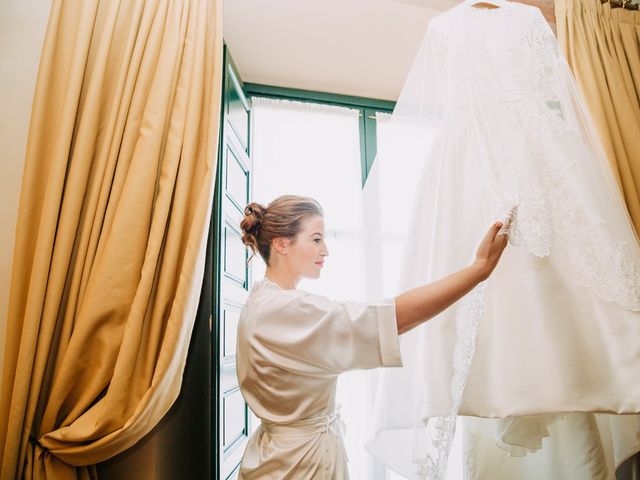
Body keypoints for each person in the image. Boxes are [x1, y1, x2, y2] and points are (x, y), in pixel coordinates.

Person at [236, 194, 510, 479]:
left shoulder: (262, 300)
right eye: (316, 239)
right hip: (299, 464)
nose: (326, 250)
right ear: (282, 243)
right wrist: (477, 271)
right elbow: (390, 319)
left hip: (279, 453)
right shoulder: (285, 310)